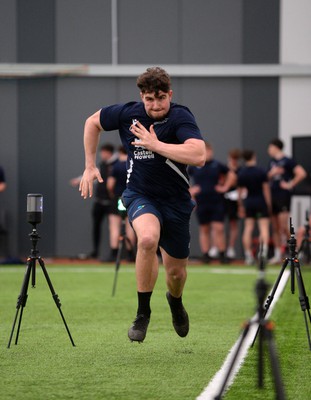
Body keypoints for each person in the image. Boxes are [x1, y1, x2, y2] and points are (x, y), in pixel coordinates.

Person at [79, 66, 205, 342]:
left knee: (176, 273)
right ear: (142, 97)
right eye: (149, 99)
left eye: (161, 98)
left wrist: (155, 144)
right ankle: (142, 313)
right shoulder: (128, 113)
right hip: (140, 195)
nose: (155, 105)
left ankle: (175, 301)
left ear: (170, 95)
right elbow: (92, 122)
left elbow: (198, 154)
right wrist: (89, 165)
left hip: (175, 201)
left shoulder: (180, 116)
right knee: (147, 239)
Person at [188, 142, 236, 264]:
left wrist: (225, 187)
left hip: (216, 201)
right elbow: (183, 178)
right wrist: (191, 191)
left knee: (218, 228)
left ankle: (222, 254)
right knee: (204, 229)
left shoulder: (217, 165)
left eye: (209, 151)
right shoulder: (195, 166)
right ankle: (206, 254)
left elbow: (231, 174)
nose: (208, 153)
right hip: (202, 202)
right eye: (206, 151)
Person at [70, 143, 118, 259]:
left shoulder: (116, 165)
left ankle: (117, 253)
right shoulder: (102, 165)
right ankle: (96, 251)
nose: (102, 155)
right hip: (99, 201)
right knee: (96, 226)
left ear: (109, 152)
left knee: (114, 227)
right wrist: (79, 180)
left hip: (112, 202)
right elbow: (92, 176)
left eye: (103, 152)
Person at [267, 138, 307, 264]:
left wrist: (290, 184)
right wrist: (272, 173)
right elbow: (267, 178)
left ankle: (294, 252)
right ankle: (278, 254)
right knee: (275, 227)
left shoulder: (288, 161)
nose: (269, 150)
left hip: (283, 196)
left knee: (284, 226)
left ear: (275, 147)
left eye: (270, 147)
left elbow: (301, 173)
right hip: (272, 195)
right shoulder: (272, 162)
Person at [237, 150, 272, 265]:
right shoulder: (261, 171)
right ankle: (262, 253)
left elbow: (240, 192)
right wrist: (268, 204)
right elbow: (266, 189)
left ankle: (248, 256)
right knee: (263, 228)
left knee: (248, 228)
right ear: (253, 157)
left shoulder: (242, 173)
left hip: (249, 202)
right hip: (260, 201)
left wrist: (241, 205)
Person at [106, 145, 136, 262]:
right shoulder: (133, 165)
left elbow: (110, 184)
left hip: (117, 198)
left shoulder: (116, 166)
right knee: (130, 227)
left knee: (114, 227)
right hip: (131, 198)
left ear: (119, 152)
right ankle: (130, 254)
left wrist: (112, 194)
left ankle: (113, 254)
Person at [224, 148, 242, 259]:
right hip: (224, 198)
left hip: (235, 199)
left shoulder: (240, 170)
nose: (233, 161)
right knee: (218, 225)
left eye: (235, 159)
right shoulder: (224, 169)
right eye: (232, 158)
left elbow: (239, 183)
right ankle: (217, 247)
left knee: (233, 224)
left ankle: (230, 247)